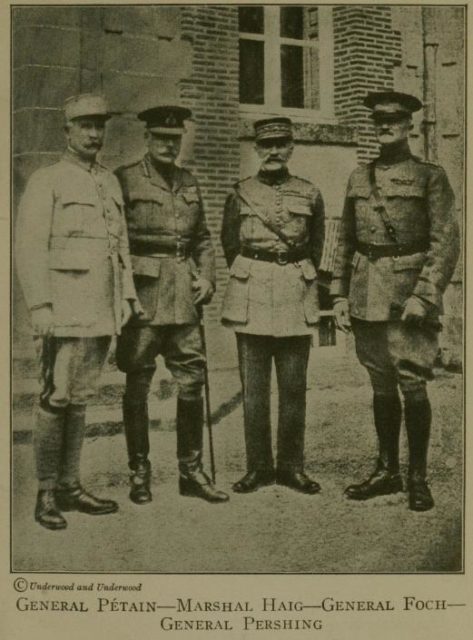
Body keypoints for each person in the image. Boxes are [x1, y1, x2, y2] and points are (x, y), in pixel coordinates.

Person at [331, 91, 460, 511]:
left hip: (409, 296)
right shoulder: (357, 178)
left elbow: (445, 242)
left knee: (412, 383)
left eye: (395, 119)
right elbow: (346, 240)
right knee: (380, 382)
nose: (386, 125)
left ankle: (417, 478)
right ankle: (387, 470)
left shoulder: (430, 177)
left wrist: (425, 295)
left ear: (410, 126)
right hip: (366, 292)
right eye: (379, 119)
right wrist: (337, 293)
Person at [16, 94, 138, 530]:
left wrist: (124, 297)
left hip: (100, 310)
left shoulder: (108, 182)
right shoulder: (47, 180)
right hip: (63, 310)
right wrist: (41, 306)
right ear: (66, 131)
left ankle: (70, 485)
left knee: (81, 399)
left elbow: (118, 246)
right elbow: (29, 247)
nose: (93, 134)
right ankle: (46, 491)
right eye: (84, 126)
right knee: (55, 397)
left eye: (99, 126)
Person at [115, 105, 228, 505]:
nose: (168, 145)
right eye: (161, 138)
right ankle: (139, 473)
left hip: (183, 295)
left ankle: (191, 471)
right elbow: (116, 243)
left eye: (174, 139)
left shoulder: (189, 180)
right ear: (147, 138)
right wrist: (122, 292)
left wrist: (208, 277)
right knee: (138, 384)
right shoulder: (125, 180)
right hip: (143, 296)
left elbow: (202, 239)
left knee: (192, 383)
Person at [221, 117, 325, 494]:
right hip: (251, 295)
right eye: (267, 146)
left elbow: (316, 245)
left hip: (294, 294)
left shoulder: (309, 193)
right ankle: (258, 467)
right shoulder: (240, 193)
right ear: (256, 149)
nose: (274, 152)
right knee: (254, 389)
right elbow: (229, 243)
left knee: (294, 387)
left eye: (281, 144)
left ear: (292, 148)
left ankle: (292, 467)